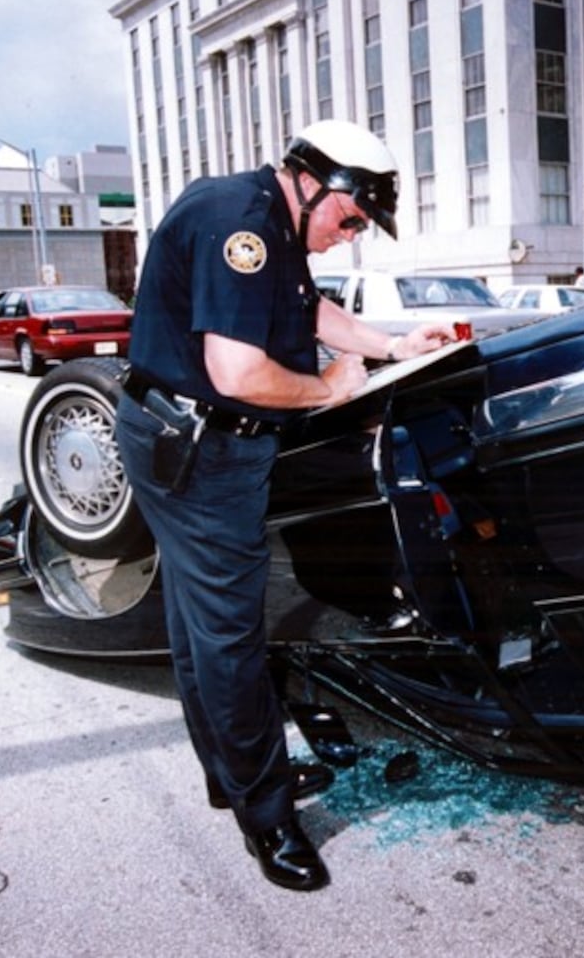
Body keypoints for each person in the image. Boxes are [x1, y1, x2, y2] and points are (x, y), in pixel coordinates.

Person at [114, 119, 457, 892]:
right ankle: (266, 816)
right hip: (200, 449)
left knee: (198, 622)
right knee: (231, 637)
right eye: (352, 216)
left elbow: (304, 312)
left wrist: (391, 347)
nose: (352, 234)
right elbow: (237, 372)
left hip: (174, 429)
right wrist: (329, 388)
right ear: (313, 183)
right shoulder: (244, 228)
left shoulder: (269, 219)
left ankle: (227, 776)